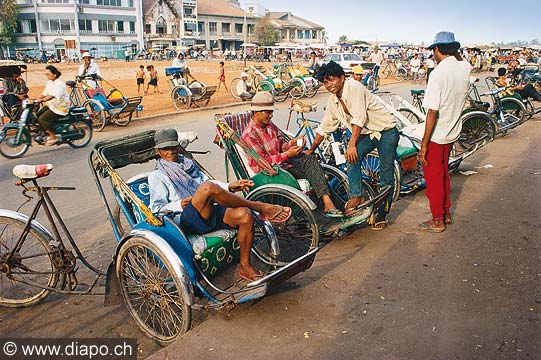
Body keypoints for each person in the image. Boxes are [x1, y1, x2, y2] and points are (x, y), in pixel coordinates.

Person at [148, 128, 292, 281]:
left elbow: (210, 184)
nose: (170, 152)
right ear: (158, 151)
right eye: (165, 149)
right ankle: (259, 206)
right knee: (207, 187)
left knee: (244, 214)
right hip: (186, 219)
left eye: (173, 147)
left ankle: (245, 266)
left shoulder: (188, 164)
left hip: (209, 209)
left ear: (178, 146)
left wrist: (230, 185)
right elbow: (156, 209)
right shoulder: (157, 176)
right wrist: (178, 204)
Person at [310, 61, 399, 229]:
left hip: (386, 131)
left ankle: (382, 213)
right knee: (352, 158)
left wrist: (352, 144)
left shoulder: (355, 87)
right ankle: (357, 196)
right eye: (325, 82)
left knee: (385, 173)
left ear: (342, 77)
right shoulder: (332, 101)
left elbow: (359, 117)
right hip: (370, 134)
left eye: (332, 80)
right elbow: (325, 127)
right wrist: (311, 149)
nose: (329, 85)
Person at [241, 92, 343, 218]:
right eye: (268, 112)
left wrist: (292, 143)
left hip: (282, 165)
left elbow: (280, 145)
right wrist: (287, 154)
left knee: (309, 159)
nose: (271, 115)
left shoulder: (270, 126)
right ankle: (327, 204)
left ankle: (327, 204)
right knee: (309, 165)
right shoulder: (249, 135)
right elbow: (263, 162)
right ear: (257, 112)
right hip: (269, 173)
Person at [417, 31, 471, 233]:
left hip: (437, 134)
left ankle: (437, 219)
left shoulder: (437, 74)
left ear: (437, 50)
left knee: (433, 179)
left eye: (434, 50)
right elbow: (460, 61)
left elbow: (432, 112)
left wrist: (423, 146)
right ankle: (446, 213)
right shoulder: (465, 67)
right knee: (443, 175)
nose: (433, 54)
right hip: (452, 131)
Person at [32, 65, 70, 146]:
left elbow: (51, 96)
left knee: (43, 119)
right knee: (36, 116)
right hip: (52, 105)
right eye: (46, 74)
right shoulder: (49, 82)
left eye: (48, 74)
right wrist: (34, 99)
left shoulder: (59, 84)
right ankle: (44, 132)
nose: (46, 76)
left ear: (54, 74)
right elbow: (44, 93)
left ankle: (53, 136)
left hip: (60, 107)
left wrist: (42, 100)